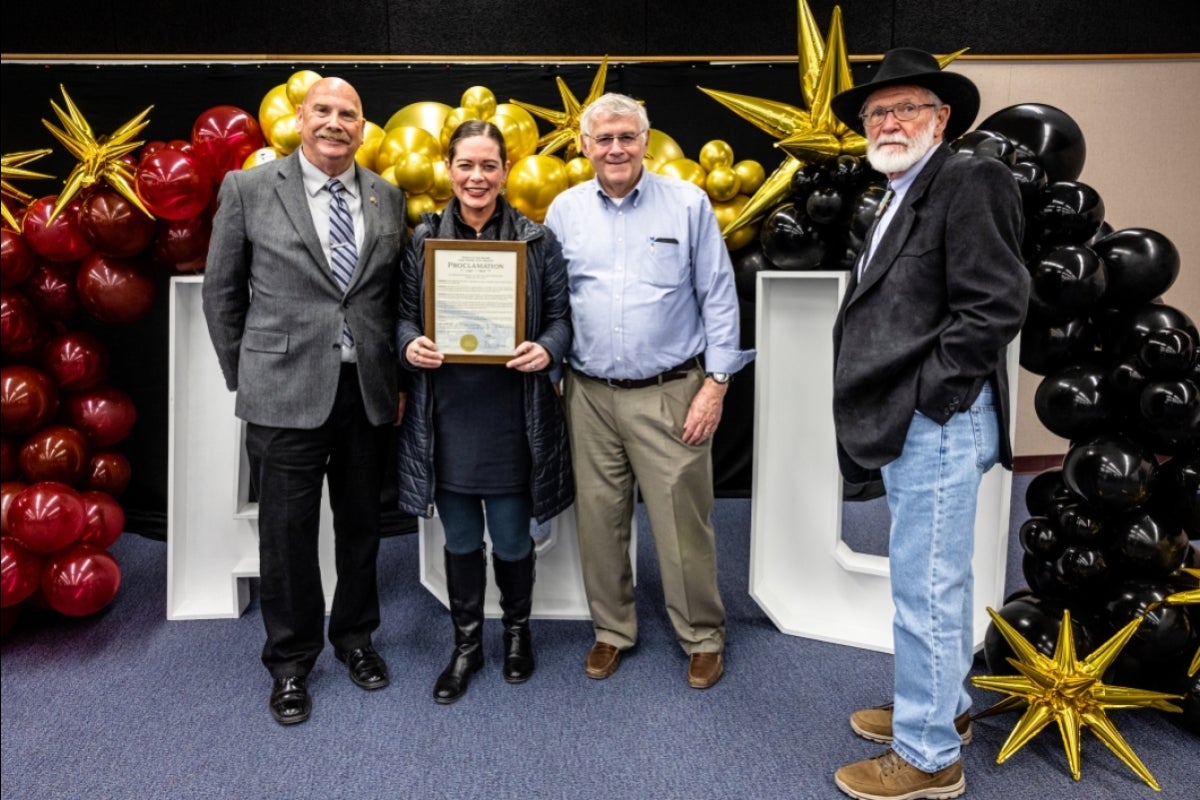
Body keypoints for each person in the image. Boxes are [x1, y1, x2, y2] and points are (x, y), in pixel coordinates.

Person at [828, 49, 1030, 799]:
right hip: (917, 422)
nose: (889, 122)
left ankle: (927, 756)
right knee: (932, 582)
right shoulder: (899, 191)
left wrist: (929, 398)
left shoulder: (971, 178)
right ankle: (940, 710)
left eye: (906, 108)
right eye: (878, 113)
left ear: (941, 118)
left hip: (939, 422)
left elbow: (995, 307)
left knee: (927, 589)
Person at [202, 77, 407, 726]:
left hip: (365, 392)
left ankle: (355, 639)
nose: (335, 123)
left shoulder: (387, 197)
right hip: (281, 395)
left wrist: (397, 376)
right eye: (324, 110)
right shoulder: (250, 190)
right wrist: (248, 376)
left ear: (362, 126)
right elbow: (221, 293)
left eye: (349, 112)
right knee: (285, 537)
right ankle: (290, 664)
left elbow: (388, 299)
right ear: (300, 117)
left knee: (361, 528)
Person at [544, 93, 755, 690]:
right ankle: (612, 631)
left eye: (626, 137)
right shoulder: (564, 210)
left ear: (645, 140)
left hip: (670, 391)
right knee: (599, 520)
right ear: (584, 145)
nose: (615, 148)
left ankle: (702, 636)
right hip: (587, 392)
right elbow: (555, 301)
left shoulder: (687, 204)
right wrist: (558, 377)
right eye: (603, 138)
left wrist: (715, 385)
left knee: (682, 524)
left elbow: (719, 297)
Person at [396, 119, 574, 705]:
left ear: (505, 171)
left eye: (488, 166)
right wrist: (407, 344)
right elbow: (399, 317)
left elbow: (560, 320)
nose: (477, 177)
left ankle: (517, 635)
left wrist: (547, 347)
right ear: (450, 170)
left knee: (512, 538)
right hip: (445, 417)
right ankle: (467, 644)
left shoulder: (536, 240)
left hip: (513, 417)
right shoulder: (421, 240)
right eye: (466, 165)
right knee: (462, 537)